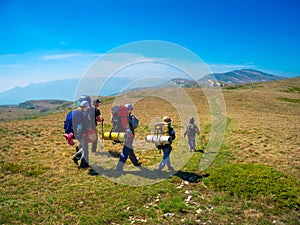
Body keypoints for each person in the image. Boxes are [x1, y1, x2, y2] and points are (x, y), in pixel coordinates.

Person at [116, 103, 141, 172]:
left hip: (123, 135)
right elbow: (126, 127)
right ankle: (119, 167)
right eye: (130, 110)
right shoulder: (125, 116)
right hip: (128, 136)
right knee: (125, 152)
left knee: (129, 149)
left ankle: (135, 161)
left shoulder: (122, 115)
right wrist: (130, 135)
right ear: (129, 109)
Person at [72, 100, 92, 169]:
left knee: (83, 148)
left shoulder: (79, 113)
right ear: (85, 107)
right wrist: (81, 133)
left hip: (79, 134)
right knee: (85, 149)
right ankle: (82, 163)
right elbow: (81, 125)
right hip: (82, 134)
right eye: (87, 107)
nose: (87, 108)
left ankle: (83, 162)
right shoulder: (82, 115)